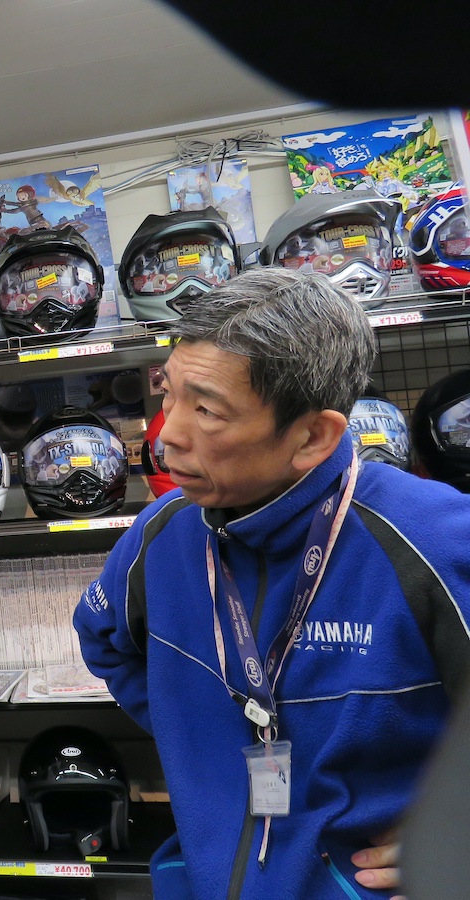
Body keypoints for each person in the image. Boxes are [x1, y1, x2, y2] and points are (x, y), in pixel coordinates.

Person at [72, 267, 467, 898]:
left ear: (312, 435)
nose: (167, 433)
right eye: (168, 394)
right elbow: (103, 641)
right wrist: (205, 734)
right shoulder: (160, 536)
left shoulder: (435, 541)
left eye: (207, 410)